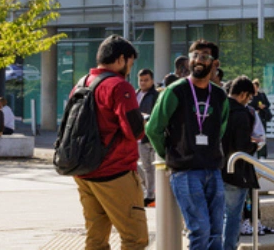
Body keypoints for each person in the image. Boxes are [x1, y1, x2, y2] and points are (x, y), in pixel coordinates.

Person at [69, 34, 150, 250]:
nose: (130, 69)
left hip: (84, 172)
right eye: (130, 63)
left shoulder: (81, 84)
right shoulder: (119, 86)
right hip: (115, 172)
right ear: (121, 59)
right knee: (135, 238)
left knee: (96, 240)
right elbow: (134, 131)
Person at [147, 40, 229, 250]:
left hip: (213, 169)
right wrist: (170, 156)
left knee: (216, 232)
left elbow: (220, 129)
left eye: (204, 56)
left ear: (215, 63)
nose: (198, 61)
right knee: (200, 230)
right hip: (185, 171)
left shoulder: (220, 95)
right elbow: (153, 128)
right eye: (194, 55)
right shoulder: (176, 91)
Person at [220, 76, 261, 250]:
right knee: (233, 216)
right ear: (244, 94)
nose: (249, 101)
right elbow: (242, 147)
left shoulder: (218, 108)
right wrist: (254, 144)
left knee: (219, 216)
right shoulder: (242, 114)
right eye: (250, 97)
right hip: (236, 173)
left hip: (215, 169)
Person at [135, 68, 159, 207]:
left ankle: (152, 194)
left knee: (152, 167)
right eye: (141, 80)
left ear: (152, 80)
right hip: (137, 136)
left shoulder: (156, 95)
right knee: (144, 167)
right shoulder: (135, 94)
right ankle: (149, 192)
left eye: (146, 80)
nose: (143, 83)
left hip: (150, 136)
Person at [250, 80, 272, 159]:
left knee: (262, 136)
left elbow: (268, 104)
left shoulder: (262, 95)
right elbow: (249, 105)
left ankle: (262, 154)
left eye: (256, 87)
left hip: (262, 118)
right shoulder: (250, 96)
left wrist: (263, 106)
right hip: (253, 118)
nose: (254, 89)